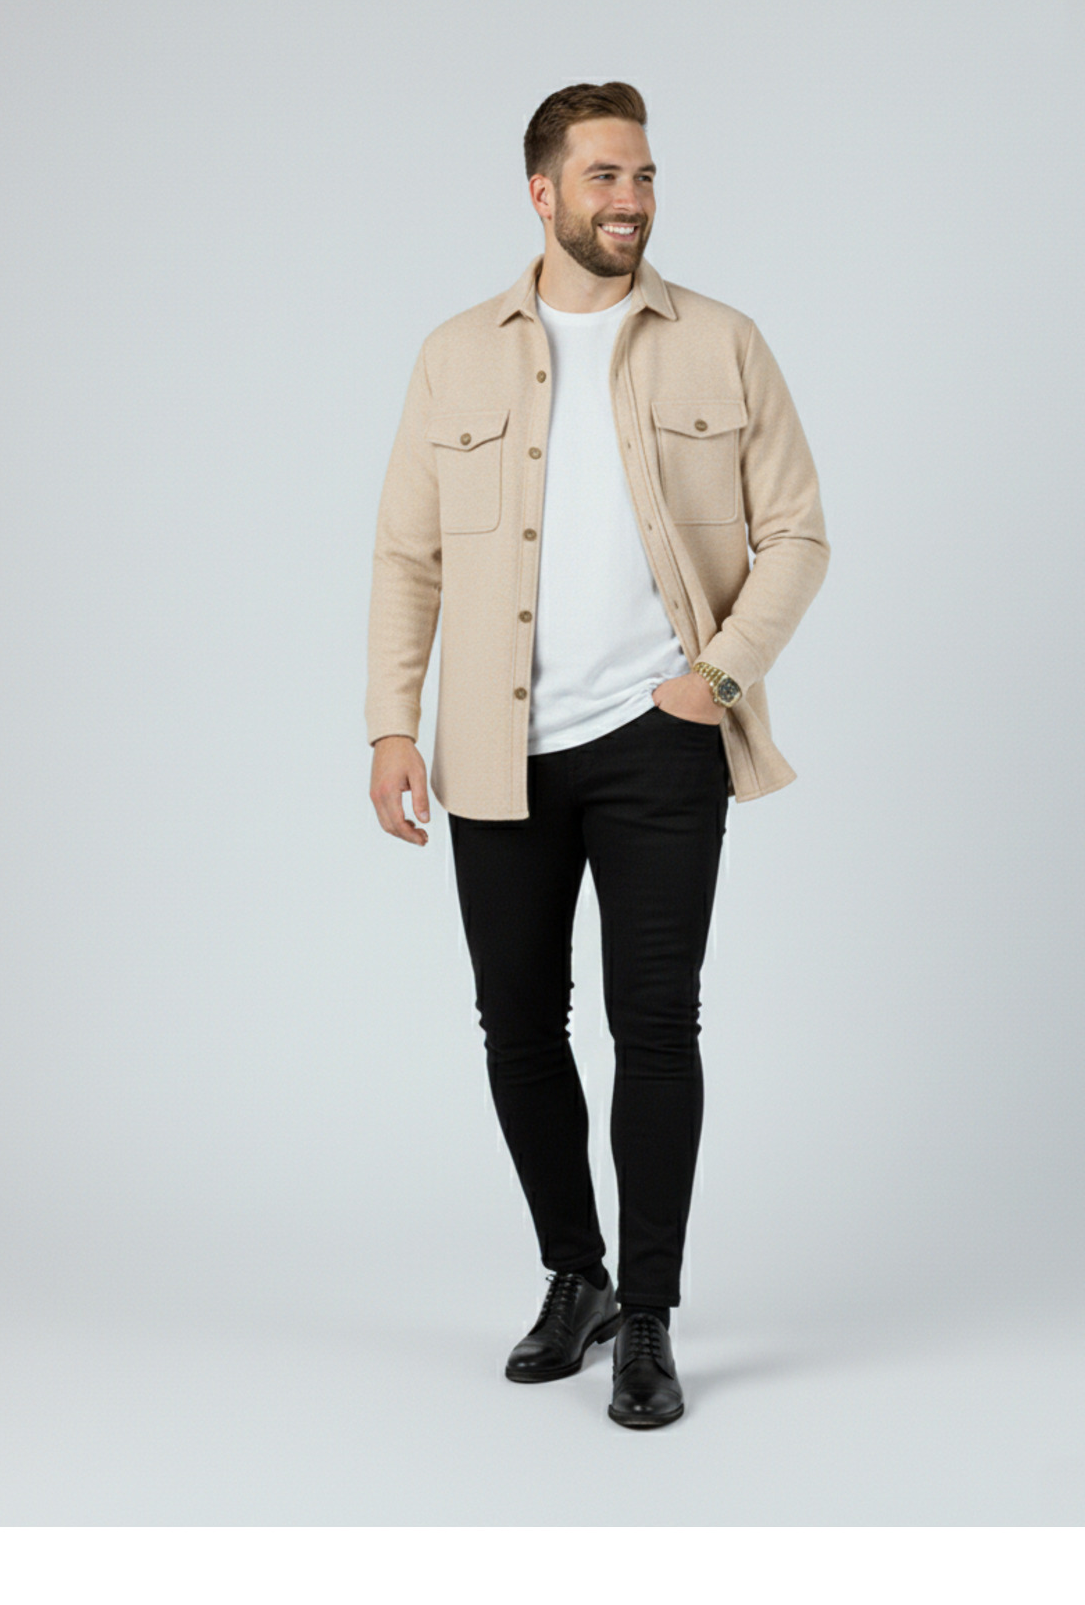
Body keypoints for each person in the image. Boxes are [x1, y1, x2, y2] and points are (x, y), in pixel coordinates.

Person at [366, 81, 830, 1429]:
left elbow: (798, 532)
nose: (631, 201)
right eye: (605, 177)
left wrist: (714, 681)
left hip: (659, 743)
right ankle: (578, 1278)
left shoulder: (722, 342)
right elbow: (406, 555)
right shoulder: (456, 354)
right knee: (517, 1025)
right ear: (544, 192)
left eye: (645, 177)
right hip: (494, 749)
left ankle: (653, 1318)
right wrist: (392, 722)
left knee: (656, 1026)